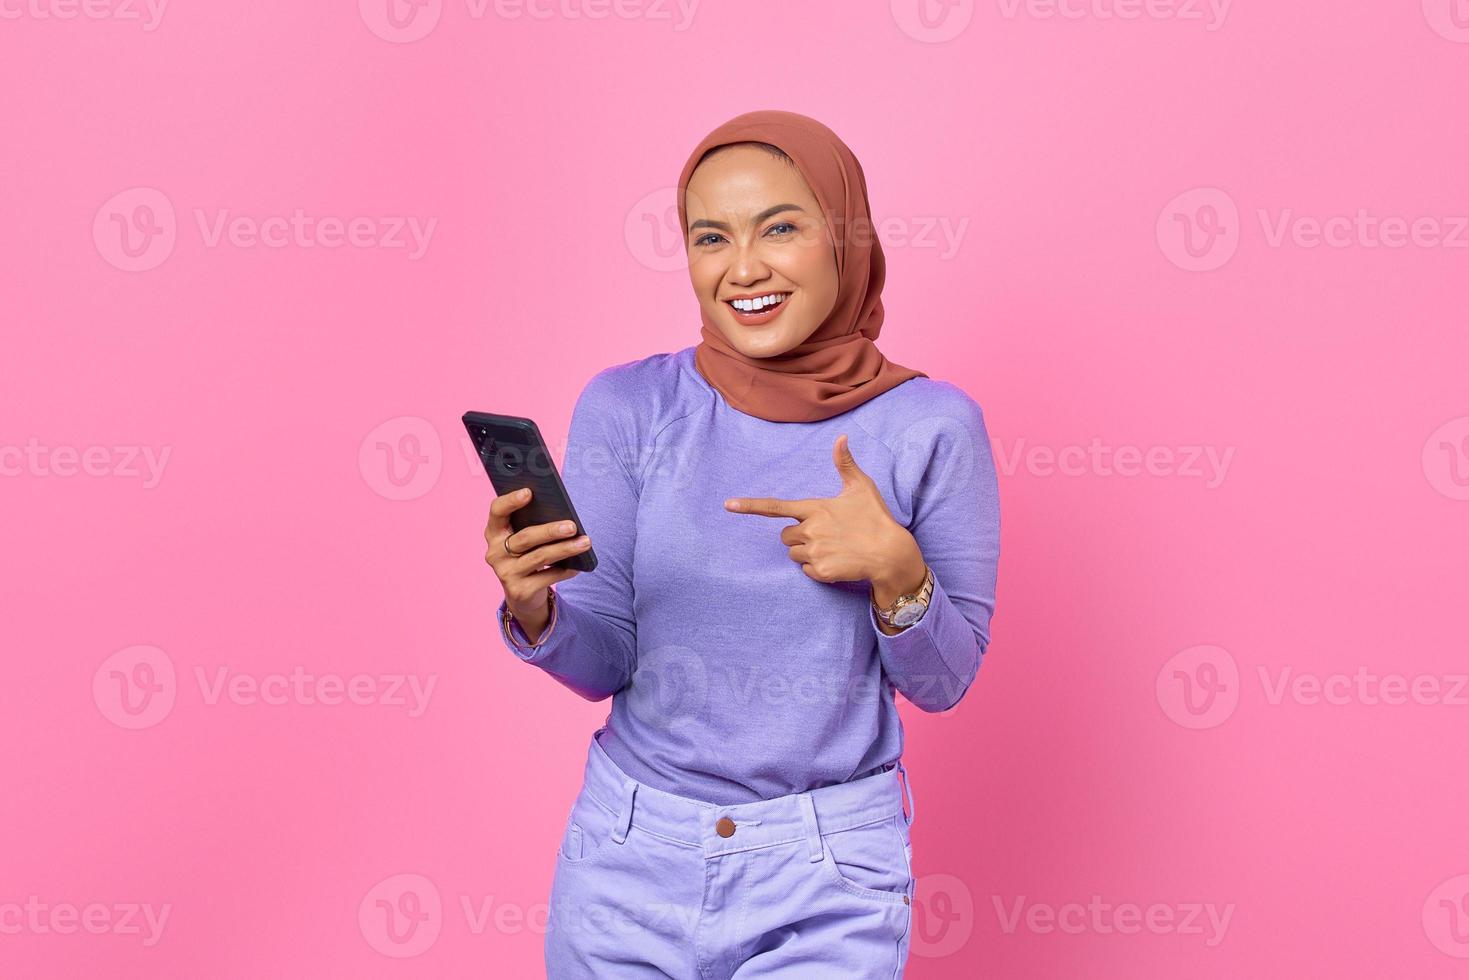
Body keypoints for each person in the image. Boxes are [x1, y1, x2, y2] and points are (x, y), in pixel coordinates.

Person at [483, 109, 1001, 979]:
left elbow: (943, 683)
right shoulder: (628, 407)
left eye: (782, 228)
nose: (744, 268)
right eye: (710, 237)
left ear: (844, 239)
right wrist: (536, 610)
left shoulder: (931, 425)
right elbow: (601, 663)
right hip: (628, 857)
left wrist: (898, 574)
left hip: (826, 870)